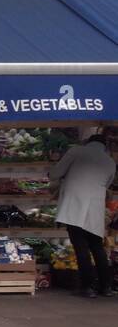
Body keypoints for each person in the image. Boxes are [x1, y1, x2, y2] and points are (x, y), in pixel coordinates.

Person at [51, 126, 116, 298]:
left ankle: (87, 287)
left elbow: (56, 173)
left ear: (88, 142)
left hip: (74, 205)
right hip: (95, 207)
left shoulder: (77, 151)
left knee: (80, 247)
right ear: (105, 147)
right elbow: (108, 184)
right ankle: (106, 287)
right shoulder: (109, 162)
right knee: (97, 247)